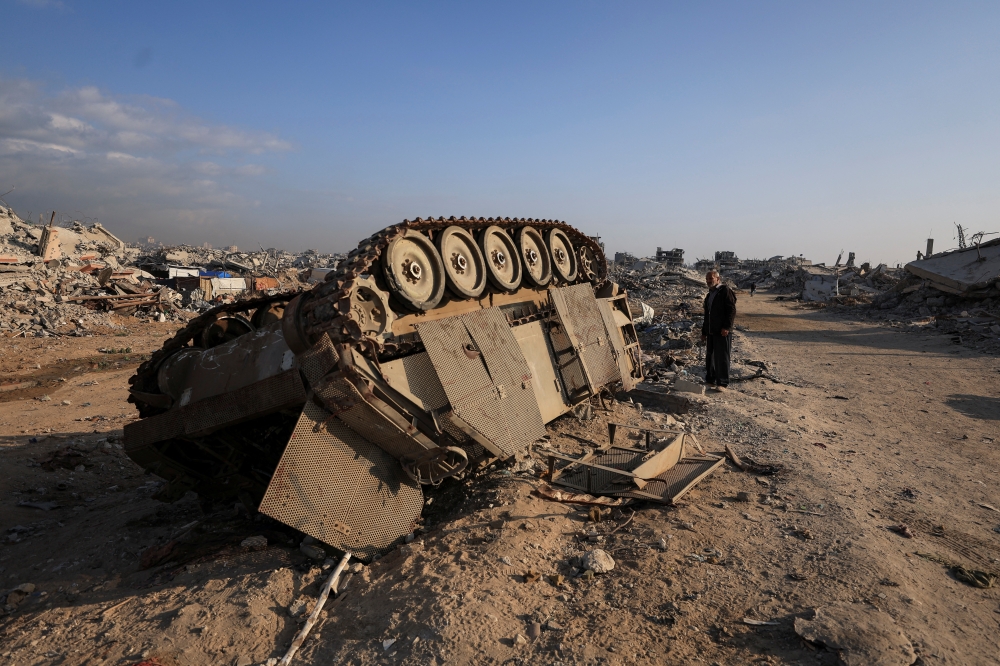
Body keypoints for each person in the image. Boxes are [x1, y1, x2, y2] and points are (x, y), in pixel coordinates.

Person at [701, 270, 737, 391]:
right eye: (707, 279)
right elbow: (707, 315)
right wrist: (704, 332)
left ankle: (722, 382)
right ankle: (710, 380)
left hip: (722, 331)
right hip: (711, 330)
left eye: (711, 279)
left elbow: (731, 310)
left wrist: (727, 327)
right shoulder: (709, 295)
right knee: (710, 356)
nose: (708, 281)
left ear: (718, 279)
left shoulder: (725, 291)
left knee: (722, 357)